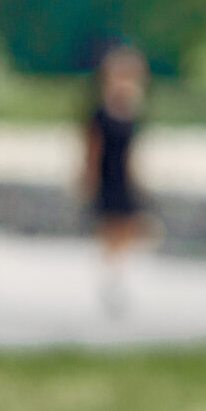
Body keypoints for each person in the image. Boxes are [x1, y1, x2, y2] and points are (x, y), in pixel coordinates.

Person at [81, 43, 149, 315]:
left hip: (123, 177)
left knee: (127, 228)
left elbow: (133, 152)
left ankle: (117, 277)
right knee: (110, 229)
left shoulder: (131, 111)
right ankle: (110, 279)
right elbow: (92, 148)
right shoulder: (100, 112)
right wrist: (88, 177)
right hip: (107, 176)